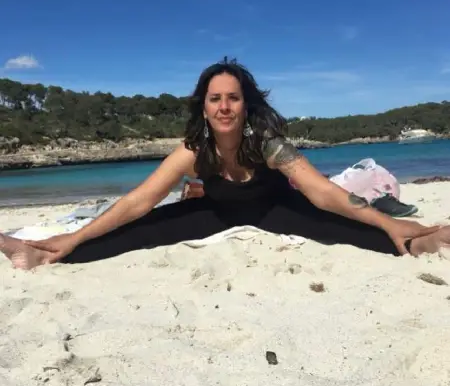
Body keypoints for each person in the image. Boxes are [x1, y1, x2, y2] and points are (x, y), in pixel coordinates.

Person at [1, 58, 449, 270]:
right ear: (204, 106)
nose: (224, 106)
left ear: (244, 104)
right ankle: (42, 254)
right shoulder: (194, 150)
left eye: (232, 98)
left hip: (276, 210)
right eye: (215, 98)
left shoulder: (268, 145)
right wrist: (75, 235)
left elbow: (323, 192)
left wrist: (387, 222)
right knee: (136, 232)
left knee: (346, 229)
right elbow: (140, 201)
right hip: (214, 213)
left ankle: (418, 242)